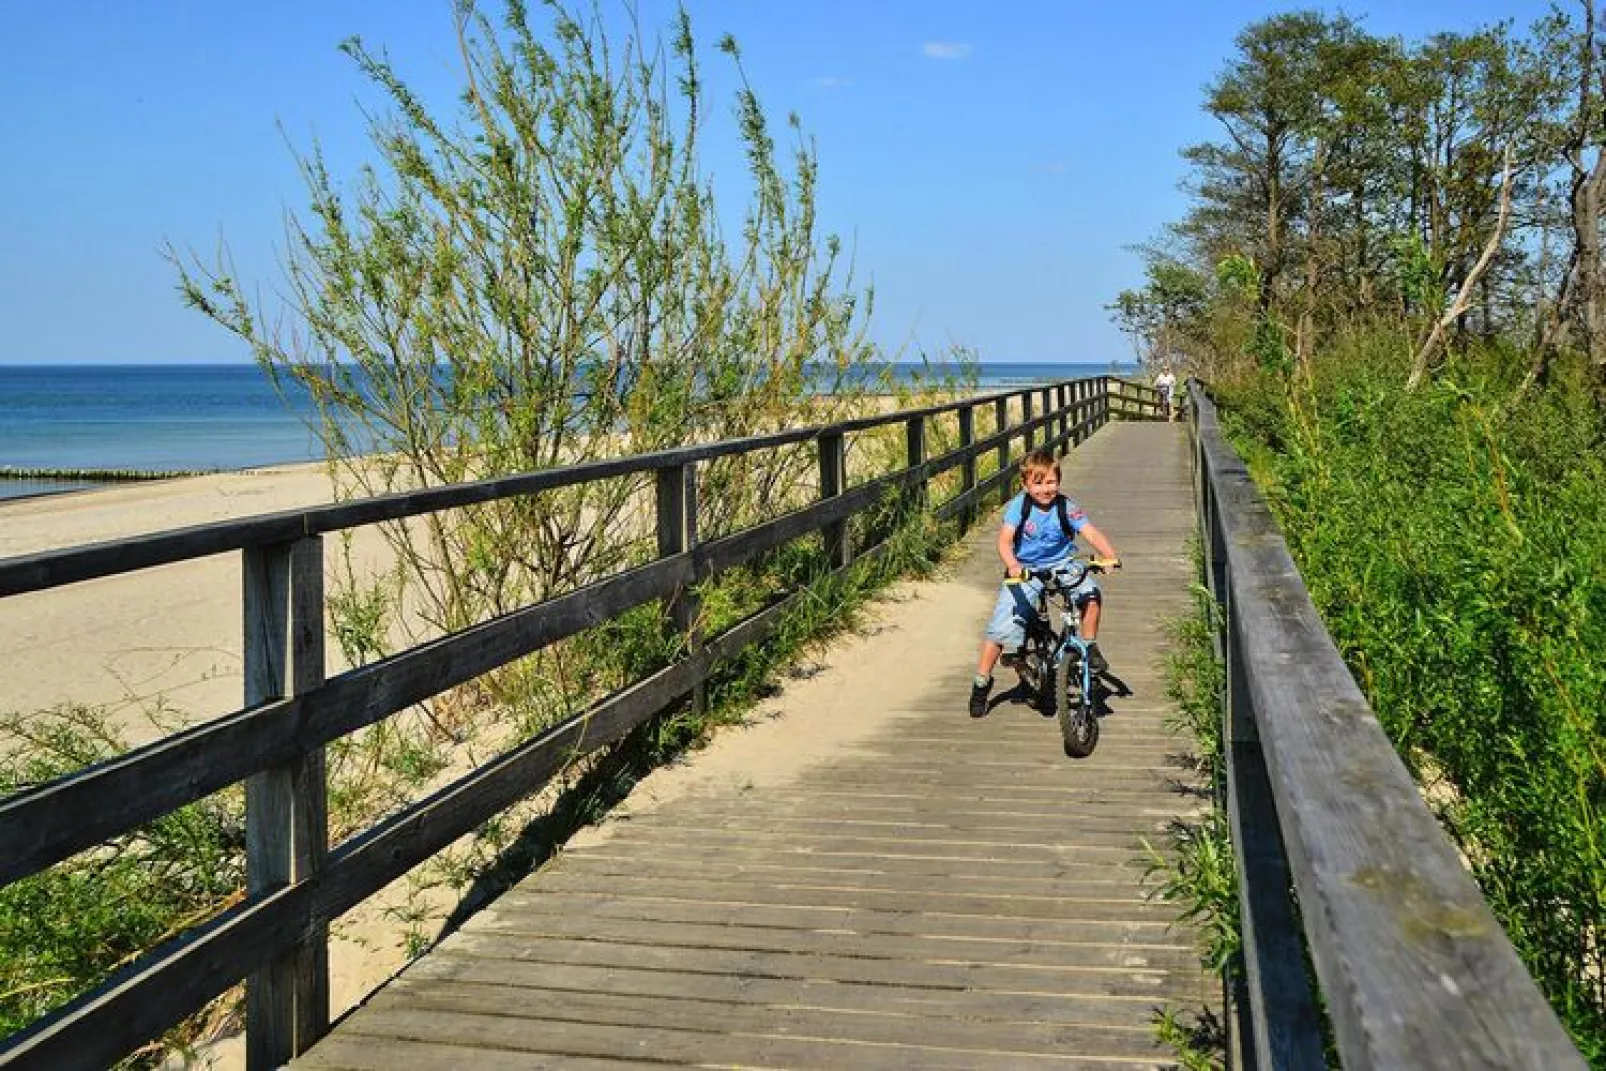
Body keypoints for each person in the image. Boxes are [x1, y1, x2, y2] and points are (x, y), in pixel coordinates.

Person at [969, 449, 1121, 717]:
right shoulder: (1020, 507)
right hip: (1025, 568)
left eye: (1051, 482)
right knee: (1001, 629)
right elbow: (1005, 541)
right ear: (1025, 485)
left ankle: (1088, 647)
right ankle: (982, 682)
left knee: (1091, 595)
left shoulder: (1066, 507)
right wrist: (1013, 565)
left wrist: (1109, 555)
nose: (1045, 489)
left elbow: (1090, 532)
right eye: (1038, 483)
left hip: (1062, 563)